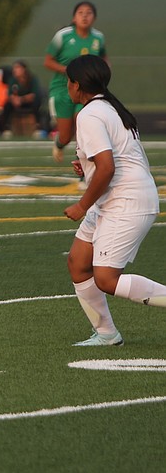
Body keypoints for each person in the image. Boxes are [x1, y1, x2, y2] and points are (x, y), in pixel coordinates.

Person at [61, 55, 166, 346]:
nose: (65, 86)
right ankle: (107, 334)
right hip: (116, 198)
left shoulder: (90, 114)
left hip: (126, 201)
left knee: (106, 279)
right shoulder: (108, 107)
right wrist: (87, 166)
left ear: (77, 85)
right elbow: (112, 159)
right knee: (78, 263)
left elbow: (108, 167)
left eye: (67, 81)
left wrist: (82, 205)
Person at [46, 1, 107, 162]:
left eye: (89, 13)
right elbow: (48, 61)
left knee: (83, 126)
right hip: (62, 89)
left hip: (86, 90)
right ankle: (59, 144)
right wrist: (68, 70)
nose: (85, 16)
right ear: (74, 17)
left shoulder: (98, 38)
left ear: (94, 18)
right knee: (66, 137)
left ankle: (83, 170)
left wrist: (104, 74)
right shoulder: (63, 36)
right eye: (80, 13)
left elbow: (104, 59)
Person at [0, 60, 41, 136]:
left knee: (37, 103)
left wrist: (21, 99)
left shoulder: (32, 79)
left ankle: (38, 127)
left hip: (28, 102)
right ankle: (6, 128)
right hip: (16, 103)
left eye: (17, 68)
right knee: (7, 105)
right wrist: (14, 100)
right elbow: (10, 94)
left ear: (23, 69)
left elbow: (33, 95)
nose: (14, 70)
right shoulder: (12, 80)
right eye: (14, 68)